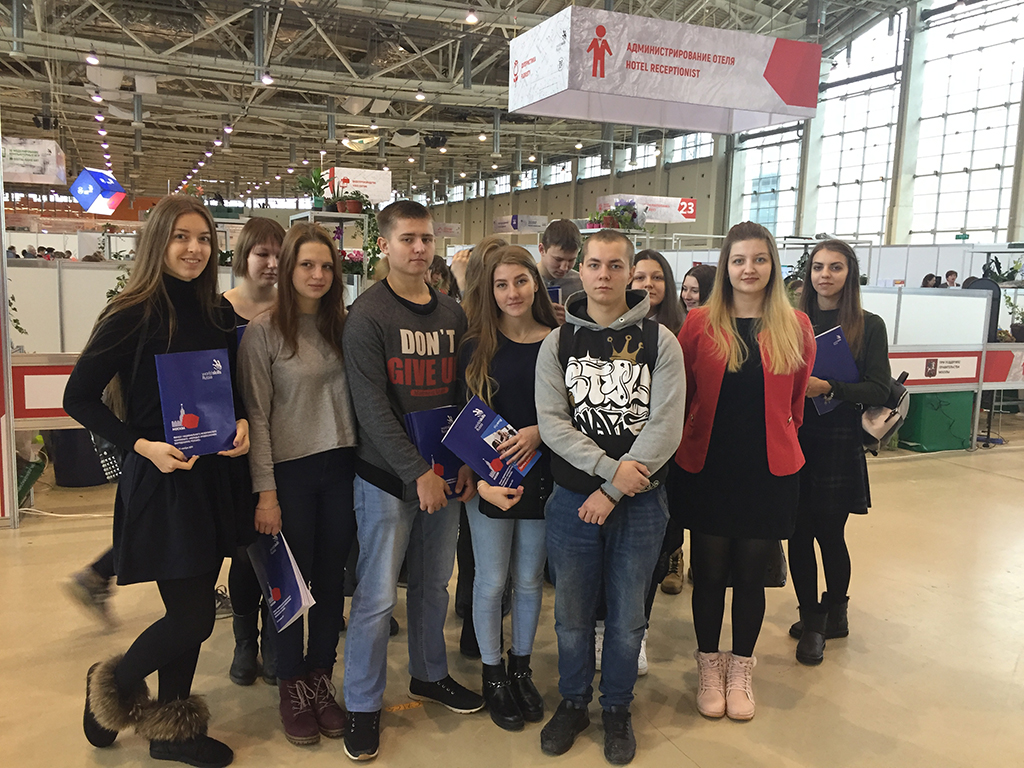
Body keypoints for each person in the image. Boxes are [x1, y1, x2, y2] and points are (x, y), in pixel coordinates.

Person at [63, 194, 250, 768]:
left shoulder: (218, 312)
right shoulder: (132, 313)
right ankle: (112, 684)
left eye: (203, 238)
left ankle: (172, 730)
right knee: (193, 616)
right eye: (181, 238)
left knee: (191, 615)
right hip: (163, 483)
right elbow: (78, 397)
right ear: (157, 243)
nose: (194, 249)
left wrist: (241, 422)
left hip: (212, 477)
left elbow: (231, 387)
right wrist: (140, 445)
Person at [535, 229, 684, 765]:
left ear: (630, 273)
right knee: (571, 615)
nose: (604, 274)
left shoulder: (660, 341)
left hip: (641, 505)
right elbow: (552, 424)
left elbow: (665, 427)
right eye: (595, 264)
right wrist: (607, 475)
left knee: (627, 618)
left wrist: (615, 491)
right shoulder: (558, 343)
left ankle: (617, 708)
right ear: (582, 270)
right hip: (572, 503)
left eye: (615, 265)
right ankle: (573, 702)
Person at [341, 200, 481, 762]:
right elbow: (371, 408)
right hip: (386, 478)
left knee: (433, 585)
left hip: (444, 474)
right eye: (407, 239)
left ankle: (430, 673)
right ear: (385, 245)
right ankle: (362, 703)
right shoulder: (367, 315)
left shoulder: (452, 313)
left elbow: (464, 391)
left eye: (426, 238)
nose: (419, 248)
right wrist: (416, 472)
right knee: (377, 597)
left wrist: (465, 459)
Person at [673, 221, 814, 723]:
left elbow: (796, 400)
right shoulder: (698, 324)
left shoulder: (796, 326)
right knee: (710, 574)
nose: (748, 269)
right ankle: (709, 666)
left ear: (772, 265)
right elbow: (683, 393)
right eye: (738, 260)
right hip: (709, 467)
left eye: (758, 259)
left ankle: (740, 669)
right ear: (726, 267)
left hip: (768, 471)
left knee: (752, 577)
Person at [239, 223, 357, 745]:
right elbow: (257, 417)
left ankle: (320, 678)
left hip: (342, 469)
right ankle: (290, 682)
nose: (317, 275)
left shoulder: (344, 327)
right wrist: (265, 492)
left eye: (327, 266)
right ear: (287, 270)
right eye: (307, 265)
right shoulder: (263, 332)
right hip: (288, 475)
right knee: (290, 587)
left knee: (331, 583)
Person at [460, 245, 558, 732]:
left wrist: (540, 432)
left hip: (541, 475)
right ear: (490, 290)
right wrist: (482, 482)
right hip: (490, 481)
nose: (512, 293)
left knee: (529, 579)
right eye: (501, 284)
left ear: (535, 283)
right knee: (492, 580)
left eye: (520, 281)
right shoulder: (476, 345)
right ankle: (493, 673)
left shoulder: (557, 342)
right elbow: (463, 421)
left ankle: (521, 667)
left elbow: (571, 412)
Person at [789, 240, 891, 665]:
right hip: (794, 438)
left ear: (850, 274)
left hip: (837, 440)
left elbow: (879, 388)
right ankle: (811, 618)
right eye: (818, 267)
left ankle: (836, 611)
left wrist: (830, 387)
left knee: (830, 534)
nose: (825, 275)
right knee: (797, 534)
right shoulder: (792, 322)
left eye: (835, 267)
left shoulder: (868, 325)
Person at [222, 216, 284, 687]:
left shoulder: (294, 310)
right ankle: (245, 639)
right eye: (262, 253)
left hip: (285, 444)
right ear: (244, 256)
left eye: (280, 254)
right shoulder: (218, 312)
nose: (272, 263)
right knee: (245, 551)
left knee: (280, 545)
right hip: (233, 450)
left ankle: (276, 634)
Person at [537, 219, 583, 325]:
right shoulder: (524, 282)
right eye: (558, 259)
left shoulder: (581, 284)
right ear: (542, 250)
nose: (564, 268)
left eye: (571, 260)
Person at [631, 250, 684, 335]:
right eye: (640, 277)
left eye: (657, 277)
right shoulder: (615, 326)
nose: (648, 284)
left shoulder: (683, 329)